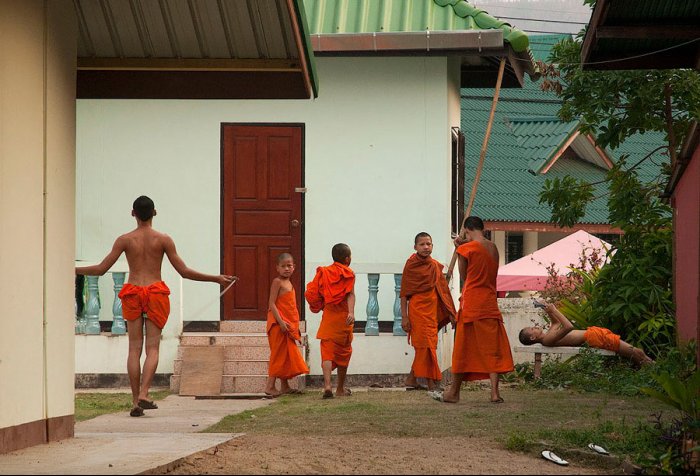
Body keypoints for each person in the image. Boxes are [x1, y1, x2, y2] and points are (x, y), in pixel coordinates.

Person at [75, 196, 235, 417]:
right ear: (155, 213)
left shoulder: (124, 240)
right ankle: (144, 393)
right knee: (152, 348)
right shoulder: (163, 240)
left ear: (133, 213)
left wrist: (72, 269)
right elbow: (184, 271)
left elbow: (101, 269)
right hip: (155, 293)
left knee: (133, 348)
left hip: (132, 292)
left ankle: (134, 402)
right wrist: (215, 278)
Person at [436, 216, 513, 404]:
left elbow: (464, 275)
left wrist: (459, 248)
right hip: (489, 302)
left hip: (472, 302)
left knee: (463, 348)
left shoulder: (466, 248)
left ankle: (454, 392)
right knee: (492, 348)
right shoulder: (493, 247)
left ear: (467, 230)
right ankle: (495, 393)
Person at [400, 232, 457, 391]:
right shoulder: (411, 265)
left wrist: (451, 312)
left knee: (427, 345)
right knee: (426, 346)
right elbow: (404, 293)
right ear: (415, 247)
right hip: (417, 310)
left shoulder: (434, 266)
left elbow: (443, 291)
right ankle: (431, 382)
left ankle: (412, 379)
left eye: (429, 244)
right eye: (422, 244)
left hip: (431, 311)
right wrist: (404, 317)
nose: (426, 247)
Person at [519, 300, 654, 365]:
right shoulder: (547, 340)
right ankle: (656, 370)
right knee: (636, 353)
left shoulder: (547, 335)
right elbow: (568, 327)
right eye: (532, 329)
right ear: (532, 337)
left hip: (595, 334)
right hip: (594, 338)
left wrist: (548, 310)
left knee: (637, 353)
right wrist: (554, 310)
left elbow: (556, 323)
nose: (535, 326)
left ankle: (654, 369)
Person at [305, 243, 356, 399]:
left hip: (328, 317)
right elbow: (350, 295)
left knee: (327, 353)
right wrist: (352, 312)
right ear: (347, 258)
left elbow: (313, 293)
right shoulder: (348, 274)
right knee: (343, 353)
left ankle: (327, 386)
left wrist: (319, 305)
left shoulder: (324, 272)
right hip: (343, 318)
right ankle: (340, 388)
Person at [264, 253, 310, 397]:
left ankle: (284, 386)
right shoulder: (277, 282)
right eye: (283, 266)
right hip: (278, 324)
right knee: (278, 355)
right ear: (277, 268)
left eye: (289, 266)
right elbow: (271, 303)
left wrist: (292, 326)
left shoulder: (289, 283)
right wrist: (281, 322)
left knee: (286, 355)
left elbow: (290, 307)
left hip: (287, 325)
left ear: (294, 267)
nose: (286, 269)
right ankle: (270, 386)